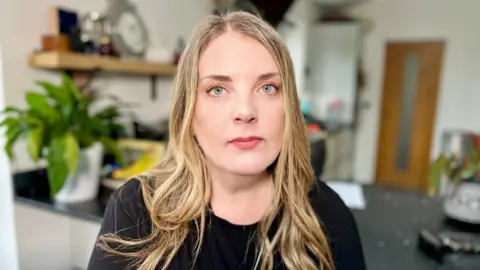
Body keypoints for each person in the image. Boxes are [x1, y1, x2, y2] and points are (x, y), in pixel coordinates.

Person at [88, 11, 365, 270]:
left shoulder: (328, 215)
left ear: (289, 109)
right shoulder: (136, 210)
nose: (245, 111)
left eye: (268, 87)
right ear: (189, 111)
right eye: (218, 89)